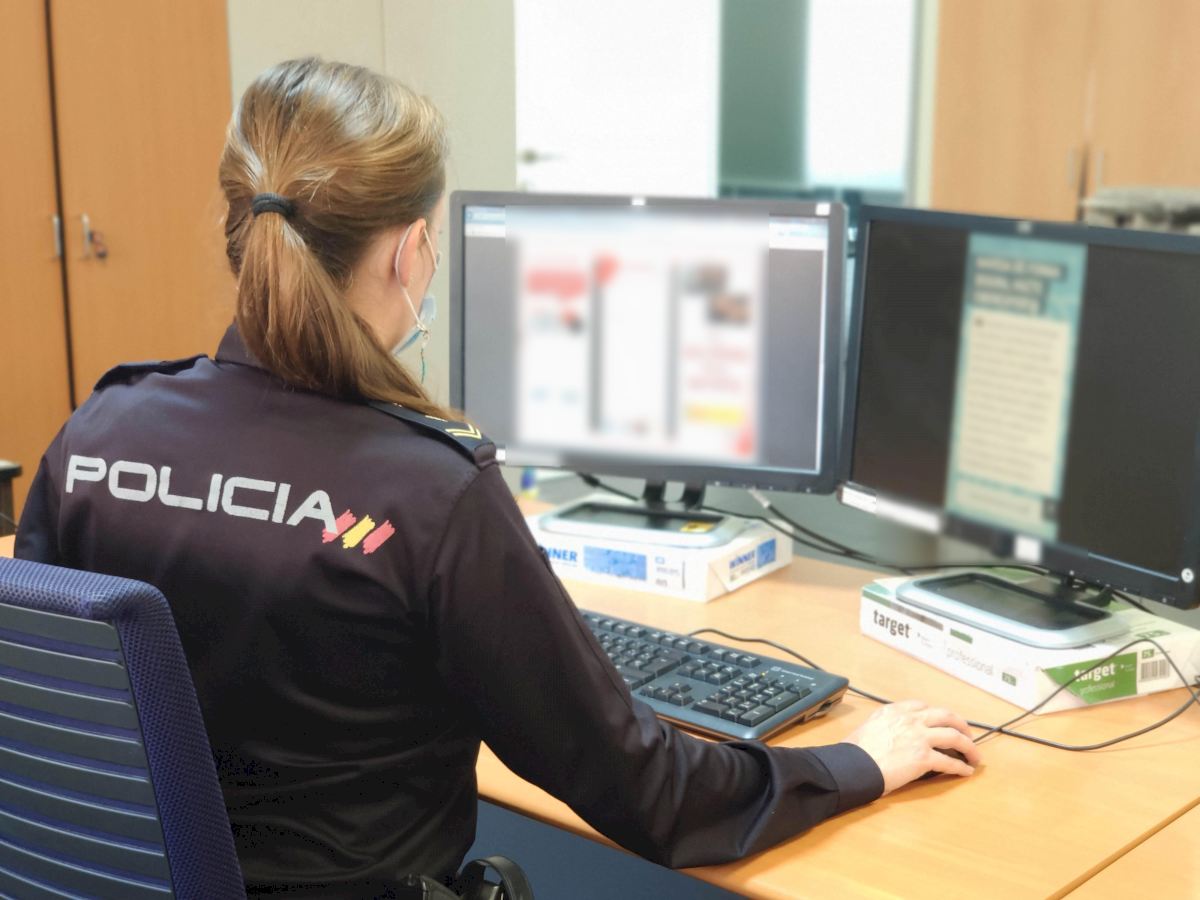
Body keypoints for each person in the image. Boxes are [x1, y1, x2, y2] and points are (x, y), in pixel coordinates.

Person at [15, 57, 981, 897]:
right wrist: (857, 761)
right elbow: (649, 794)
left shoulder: (100, 432)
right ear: (410, 250)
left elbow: (37, 719)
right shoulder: (428, 494)